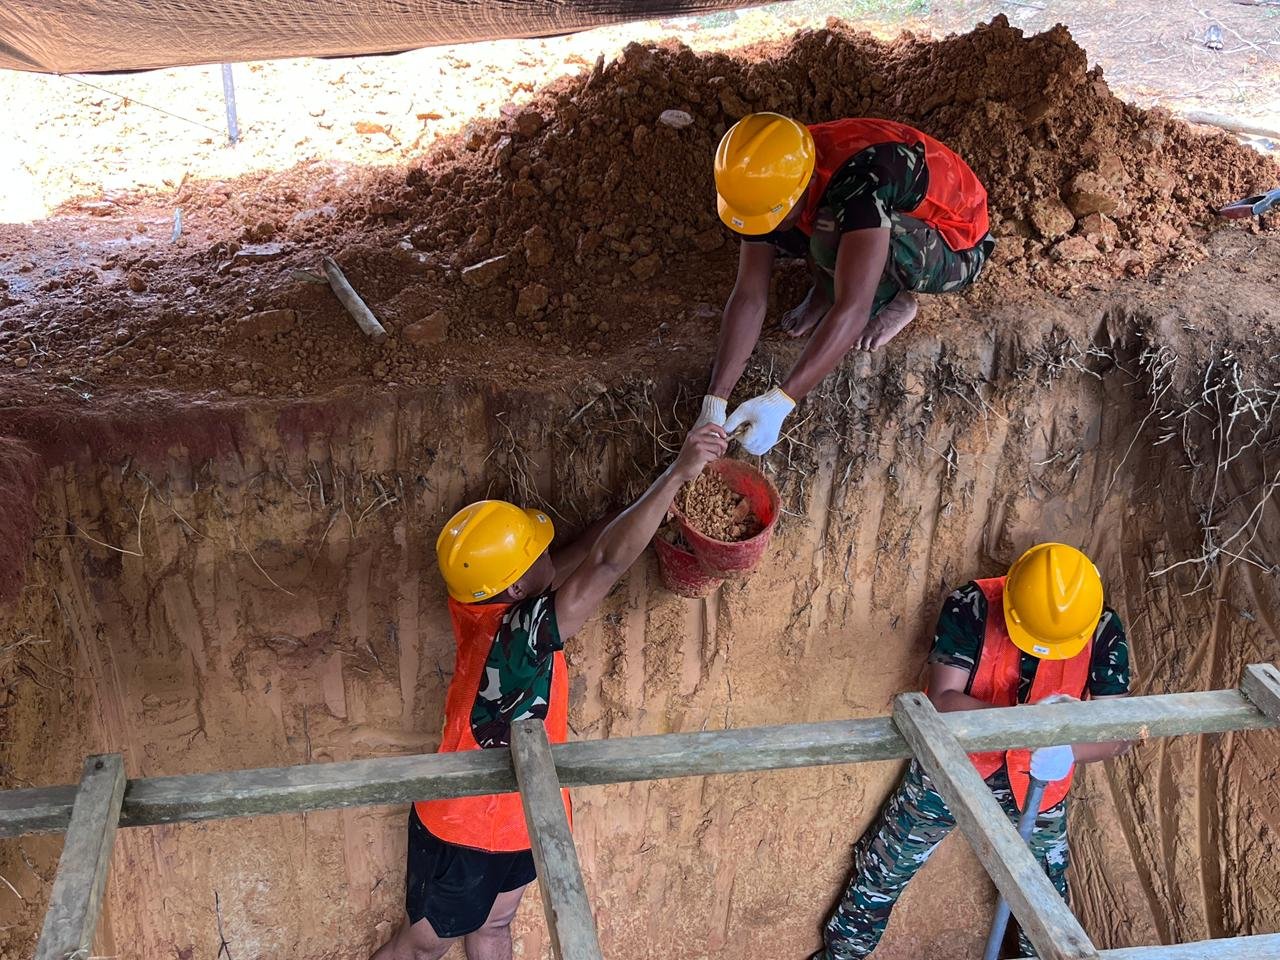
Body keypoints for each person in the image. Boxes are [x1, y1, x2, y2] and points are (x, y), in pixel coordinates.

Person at [371, 423, 728, 960]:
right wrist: (677, 474)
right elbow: (604, 562)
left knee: (494, 928)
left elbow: (583, 552)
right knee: (421, 948)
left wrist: (658, 497)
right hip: (465, 828)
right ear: (516, 587)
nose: (551, 555)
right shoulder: (518, 637)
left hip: (525, 813)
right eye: (537, 552)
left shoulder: (478, 598)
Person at [816, 543, 1133, 960]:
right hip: (956, 765)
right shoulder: (974, 605)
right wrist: (1027, 725)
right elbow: (943, 700)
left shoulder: (1101, 626)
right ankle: (841, 954)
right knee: (887, 863)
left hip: (1040, 778)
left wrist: (1067, 749)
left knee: (1046, 904)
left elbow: (1118, 731)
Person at [694, 112, 995, 455]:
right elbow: (750, 294)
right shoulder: (770, 174)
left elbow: (853, 307)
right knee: (798, 229)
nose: (765, 227)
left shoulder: (864, 179)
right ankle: (825, 287)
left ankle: (895, 302)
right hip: (858, 209)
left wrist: (781, 401)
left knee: (828, 230)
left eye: (771, 214)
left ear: (805, 184)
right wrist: (714, 402)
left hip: (955, 243)